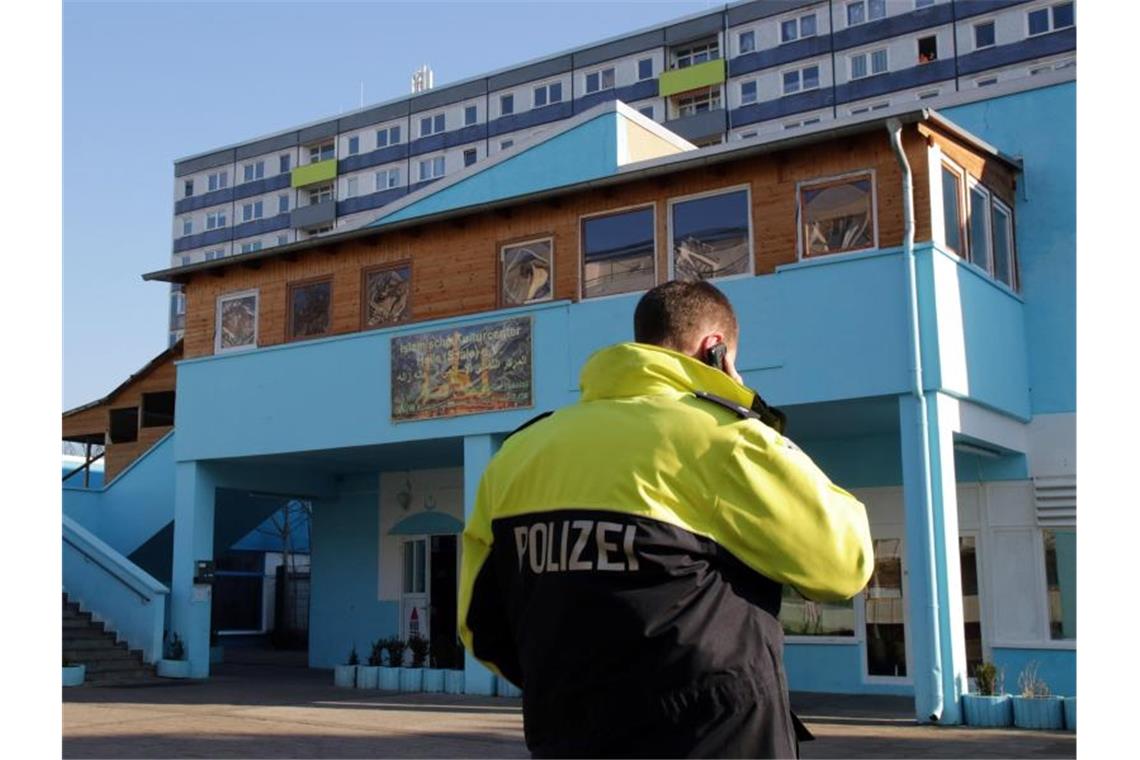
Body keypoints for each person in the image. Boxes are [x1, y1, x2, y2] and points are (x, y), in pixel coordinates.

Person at [458, 280, 874, 758]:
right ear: (715, 349)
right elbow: (847, 562)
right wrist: (750, 418)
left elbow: (478, 625)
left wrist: (577, 689)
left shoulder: (517, 455)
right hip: (714, 742)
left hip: (566, 739)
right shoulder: (725, 440)